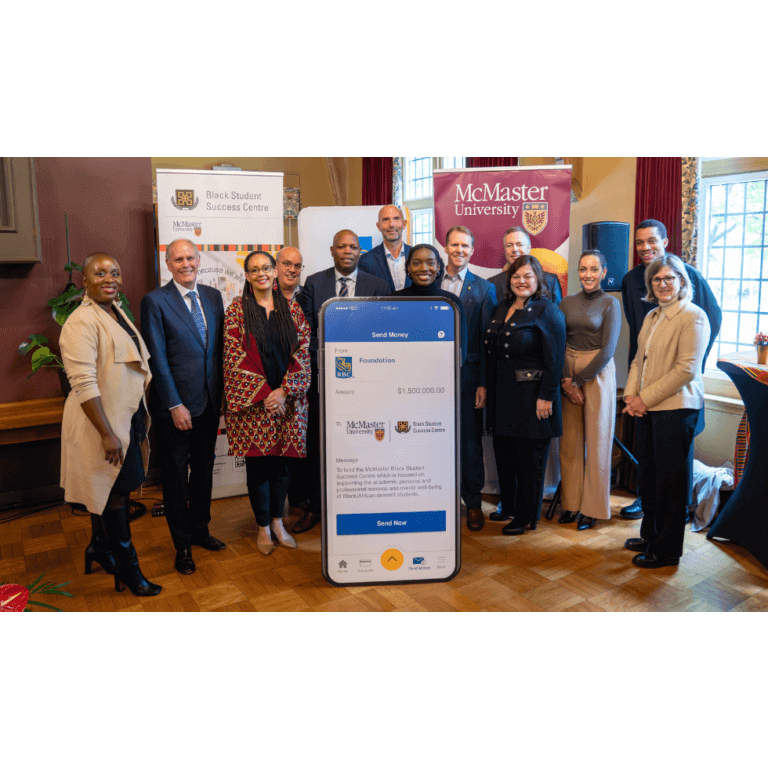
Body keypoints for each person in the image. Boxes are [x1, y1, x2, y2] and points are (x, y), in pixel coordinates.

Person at [60, 253, 161, 596]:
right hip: (101, 424)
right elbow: (83, 382)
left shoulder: (115, 312)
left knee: (107, 491)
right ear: (84, 281)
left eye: (115, 272)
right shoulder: (80, 322)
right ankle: (129, 569)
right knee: (116, 495)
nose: (109, 278)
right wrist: (106, 433)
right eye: (100, 273)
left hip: (124, 417)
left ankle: (99, 548)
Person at [619, 219, 721, 520]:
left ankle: (678, 515)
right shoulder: (630, 281)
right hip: (644, 383)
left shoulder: (688, 276)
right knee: (649, 460)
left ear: (665, 241)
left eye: (652, 240)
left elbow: (710, 320)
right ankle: (647, 510)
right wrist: (635, 392)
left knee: (675, 465)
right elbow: (639, 336)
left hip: (677, 390)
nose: (646, 247)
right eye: (640, 243)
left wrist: (690, 368)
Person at [293, 230, 390, 534]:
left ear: (360, 252)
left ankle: (358, 505)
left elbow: (382, 334)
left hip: (364, 384)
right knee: (320, 445)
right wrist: (332, 350)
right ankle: (316, 506)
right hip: (323, 382)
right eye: (341, 246)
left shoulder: (379, 286)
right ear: (332, 251)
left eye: (353, 246)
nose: (347, 251)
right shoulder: (315, 283)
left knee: (360, 445)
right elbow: (306, 331)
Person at [140, 238, 226, 577]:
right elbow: (157, 359)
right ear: (168, 262)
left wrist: (221, 398)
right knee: (177, 477)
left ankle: (200, 530)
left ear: (198, 259)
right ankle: (182, 545)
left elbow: (217, 351)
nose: (186, 263)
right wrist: (175, 403)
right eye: (178, 259)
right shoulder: (155, 301)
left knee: (205, 470)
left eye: (191, 257)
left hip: (208, 402)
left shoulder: (213, 296)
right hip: (175, 407)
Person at [622, 254, 710, 568]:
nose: (663, 284)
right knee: (649, 477)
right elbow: (638, 361)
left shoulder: (693, 316)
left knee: (670, 483)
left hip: (676, 410)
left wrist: (643, 398)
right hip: (645, 408)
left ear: (682, 281)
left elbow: (686, 370)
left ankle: (667, 549)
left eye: (669, 278)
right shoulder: (652, 316)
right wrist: (631, 396)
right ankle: (650, 535)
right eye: (657, 279)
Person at [223, 251, 311, 555]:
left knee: (282, 467)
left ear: (275, 272)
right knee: (258, 469)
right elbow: (234, 359)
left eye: (266, 268)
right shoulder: (236, 312)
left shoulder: (294, 310)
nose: (261, 273)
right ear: (247, 276)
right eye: (254, 269)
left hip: (288, 405)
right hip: (253, 408)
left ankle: (278, 523)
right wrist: (265, 395)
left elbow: (303, 352)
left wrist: (284, 392)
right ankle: (262, 527)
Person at [484, 255, 565, 535]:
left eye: (528, 276)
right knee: (504, 455)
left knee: (528, 459)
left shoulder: (548, 310)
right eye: (516, 276)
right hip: (502, 395)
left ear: (538, 280)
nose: (521, 281)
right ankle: (508, 506)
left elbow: (555, 359)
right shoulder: (502, 306)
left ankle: (526, 515)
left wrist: (547, 396)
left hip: (532, 398)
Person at [557, 250, 621, 530]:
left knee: (598, 442)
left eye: (594, 269)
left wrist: (579, 382)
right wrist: (566, 382)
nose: (588, 275)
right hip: (567, 372)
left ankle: (593, 508)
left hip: (596, 373)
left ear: (604, 272)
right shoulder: (566, 302)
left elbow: (608, 350)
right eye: (583, 269)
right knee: (569, 443)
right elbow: (558, 341)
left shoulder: (611, 303)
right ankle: (571, 504)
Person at [440, 226, 496, 531]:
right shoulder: (429, 281)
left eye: (465, 245)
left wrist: (483, 383)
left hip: (468, 380)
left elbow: (488, 343)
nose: (459, 250)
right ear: (445, 247)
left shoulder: (484, 289)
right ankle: (437, 499)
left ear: (472, 251)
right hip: (429, 379)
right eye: (454, 244)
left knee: (469, 443)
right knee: (433, 440)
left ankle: (473, 502)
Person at [358, 205, 412, 293]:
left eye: (396, 219)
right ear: (378, 226)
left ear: (404, 224)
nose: (391, 224)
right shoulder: (365, 261)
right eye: (386, 220)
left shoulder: (416, 256)